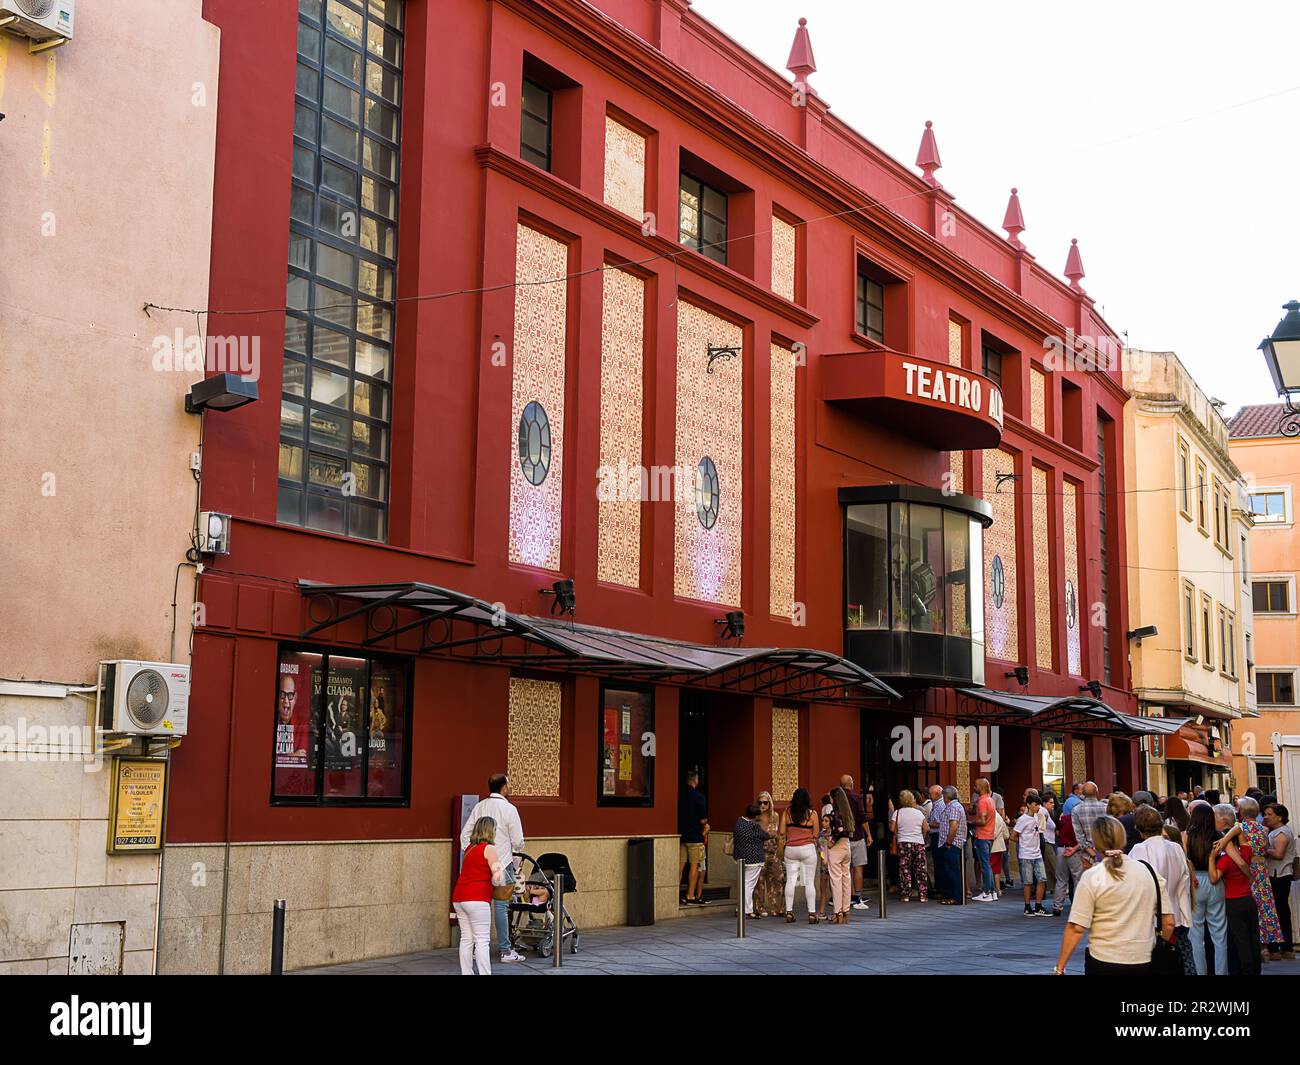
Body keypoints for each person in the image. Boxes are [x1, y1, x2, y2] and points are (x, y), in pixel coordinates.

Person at [1053, 815, 1174, 975]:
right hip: (1142, 958)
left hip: (1104, 958)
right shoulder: (1148, 872)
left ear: (1096, 843)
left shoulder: (1093, 876)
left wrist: (1059, 967)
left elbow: (1076, 928)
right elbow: (1169, 922)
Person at [459, 773, 526, 964]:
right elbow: (518, 841)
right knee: (501, 907)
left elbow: (465, 836)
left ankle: (476, 949)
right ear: (504, 788)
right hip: (503, 864)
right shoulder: (510, 809)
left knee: (481, 904)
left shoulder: (480, 807)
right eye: (509, 785)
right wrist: (516, 849)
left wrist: (474, 854)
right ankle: (505, 950)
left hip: (481, 866)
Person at [1130, 805, 1194, 973]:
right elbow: (1183, 883)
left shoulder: (1139, 850)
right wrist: (1185, 915)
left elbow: (1137, 885)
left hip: (1152, 919)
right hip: (1176, 914)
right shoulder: (1176, 848)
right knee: (1177, 962)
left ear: (1138, 828)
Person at [1224, 796, 1284, 959]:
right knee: (1264, 905)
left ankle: (1257, 946)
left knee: (1250, 902)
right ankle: (1267, 945)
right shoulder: (1263, 829)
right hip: (1262, 869)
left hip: (1247, 867)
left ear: (1242, 811)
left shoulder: (1240, 827)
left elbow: (1226, 843)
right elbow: (1264, 848)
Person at [452, 816, 507, 975]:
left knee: (466, 939)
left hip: (459, 897)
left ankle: (467, 973)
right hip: (477, 898)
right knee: (482, 941)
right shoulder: (490, 849)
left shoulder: (469, 848)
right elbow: (497, 876)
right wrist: (499, 876)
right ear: (491, 831)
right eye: (495, 830)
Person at [1212, 803, 1260, 975]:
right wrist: (1227, 839)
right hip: (1249, 898)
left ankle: (1245, 970)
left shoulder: (1224, 860)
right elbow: (1239, 828)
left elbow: (1214, 877)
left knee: (1240, 940)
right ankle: (1256, 970)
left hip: (1232, 900)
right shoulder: (1246, 851)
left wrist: (1215, 852)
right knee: (1253, 936)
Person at [1186, 802, 1228, 975]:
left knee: (1196, 934)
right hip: (1215, 880)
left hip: (1195, 881)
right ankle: (1221, 972)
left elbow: (1185, 861)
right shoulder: (1219, 836)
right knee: (1219, 934)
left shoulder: (1188, 836)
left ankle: (1200, 972)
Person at [1262, 802, 1296, 959]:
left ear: (1280, 817)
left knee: (1278, 911)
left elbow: (1279, 854)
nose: (1266, 817)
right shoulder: (1276, 831)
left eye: (1269, 814)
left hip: (1279, 875)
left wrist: (1262, 850)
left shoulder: (1281, 833)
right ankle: (1284, 946)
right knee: (1280, 910)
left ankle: (1282, 946)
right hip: (1278, 874)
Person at [782, 787, 820, 923]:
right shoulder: (812, 814)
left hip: (791, 849)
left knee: (791, 881)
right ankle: (811, 913)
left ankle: (789, 912)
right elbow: (816, 834)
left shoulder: (787, 812)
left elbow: (781, 831)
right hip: (807, 849)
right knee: (809, 882)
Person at [1013, 791, 1051, 916]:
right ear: (1029, 805)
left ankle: (1038, 905)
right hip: (1026, 854)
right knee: (1027, 882)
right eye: (1035, 804)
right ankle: (1027, 906)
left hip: (1037, 853)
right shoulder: (1022, 819)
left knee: (1042, 879)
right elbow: (1014, 836)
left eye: (1039, 805)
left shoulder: (1038, 817)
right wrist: (1024, 841)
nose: (1038, 807)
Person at [840, 774, 873, 909]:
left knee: (845, 868)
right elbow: (862, 817)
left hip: (842, 838)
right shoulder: (856, 798)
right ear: (851, 784)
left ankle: (847, 895)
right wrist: (869, 835)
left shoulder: (838, 799)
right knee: (858, 867)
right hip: (857, 836)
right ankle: (857, 897)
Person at [732, 802, 770, 918]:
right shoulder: (754, 826)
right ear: (755, 816)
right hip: (754, 859)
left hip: (740, 858)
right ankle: (747, 910)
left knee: (743, 883)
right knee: (748, 885)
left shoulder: (738, 823)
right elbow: (766, 836)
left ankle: (740, 908)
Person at [679, 770, 709, 906]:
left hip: (681, 834)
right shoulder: (698, 797)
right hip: (695, 835)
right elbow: (703, 820)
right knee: (694, 865)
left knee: (680, 865)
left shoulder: (680, 794)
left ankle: (673, 893)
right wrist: (706, 826)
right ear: (695, 779)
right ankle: (690, 895)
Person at [826, 787, 856, 923]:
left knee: (835, 880)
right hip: (846, 846)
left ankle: (837, 912)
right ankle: (846, 910)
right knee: (846, 879)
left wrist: (831, 842)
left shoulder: (835, 813)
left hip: (837, 847)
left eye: (831, 798)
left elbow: (838, 830)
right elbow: (847, 830)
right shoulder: (848, 813)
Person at [893, 789, 929, 902]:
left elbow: (892, 828)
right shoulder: (918, 813)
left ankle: (905, 895)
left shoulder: (897, 813)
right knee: (920, 869)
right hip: (918, 842)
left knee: (905, 869)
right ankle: (922, 894)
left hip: (903, 842)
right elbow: (926, 828)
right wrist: (921, 836)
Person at [753, 791, 784, 918]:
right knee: (759, 883)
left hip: (773, 853)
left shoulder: (775, 816)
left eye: (765, 802)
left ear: (769, 803)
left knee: (778, 879)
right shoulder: (755, 818)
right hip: (758, 853)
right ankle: (759, 907)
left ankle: (777, 908)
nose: (762, 805)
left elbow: (779, 835)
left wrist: (780, 851)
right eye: (760, 802)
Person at [935, 785, 968, 905]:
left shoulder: (954, 807)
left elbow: (953, 826)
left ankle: (956, 896)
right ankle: (951, 895)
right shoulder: (953, 806)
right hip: (950, 843)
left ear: (945, 796)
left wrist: (949, 843)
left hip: (952, 844)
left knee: (952, 871)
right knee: (950, 870)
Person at [971, 778, 998, 902]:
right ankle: (992, 892)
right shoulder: (991, 800)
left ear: (981, 787)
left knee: (984, 865)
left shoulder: (982, 801)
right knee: (988, 864)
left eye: (976, 785)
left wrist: (970, 822)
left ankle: (987, 892)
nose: (974, 787)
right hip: (989, 835)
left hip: (982, 836)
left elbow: (982, 820)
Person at [1054, 806, 1083, 915]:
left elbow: (1057, 832)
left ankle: (1057, 907)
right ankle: (1077, 906)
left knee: (1061, 880)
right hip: (1074, 850)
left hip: (1061, 849)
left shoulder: (1064, 819)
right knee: (1077, 879)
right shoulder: (1080, 820)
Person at [1072, 782, 1108, 867]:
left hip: (1088, 854)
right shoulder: (1106, 807)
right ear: (1097, 792)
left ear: (1083, 794)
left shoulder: (1076, 810)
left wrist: (1089, 850)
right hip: (1105, 850)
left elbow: (1079, 835)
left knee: (1089, 878)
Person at [1040, 791, 1059, 901]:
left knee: (1048, 866)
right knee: (1054, 865)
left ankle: (1051, 887)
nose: (1053, 804)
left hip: (1049, 841)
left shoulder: (1046, 812)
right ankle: (1060, 885)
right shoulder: (1043, 812)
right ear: (1044, 803)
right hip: (1046, 842)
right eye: (1050, 802)